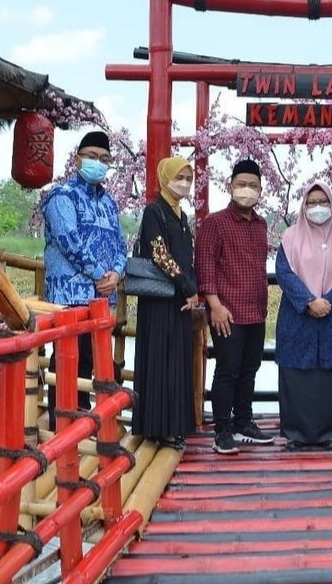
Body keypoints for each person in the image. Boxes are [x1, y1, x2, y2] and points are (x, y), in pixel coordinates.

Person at [41, 130, 127, 430]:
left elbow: (120, 245)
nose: (97, 163)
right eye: (92, 156)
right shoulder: (61, 196)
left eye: (104, 159)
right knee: (66, 358)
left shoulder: (110, 204)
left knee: (91, 359)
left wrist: (116, 273)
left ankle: (85, 422)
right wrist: (99, 274)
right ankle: (61, 422)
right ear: (78, 159)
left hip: (102, 298)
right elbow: (68, 241)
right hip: (70, 295)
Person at [274, 183, 332, 451]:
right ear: (304, 206)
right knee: (295, 377)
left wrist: (330, 301)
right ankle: (295, 434)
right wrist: (309, 301)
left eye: (323, 201)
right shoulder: (289, 238)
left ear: (331, 203)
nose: (317, 207)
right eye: (311, 202)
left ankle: (327, 434)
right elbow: (283, 273)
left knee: (329, 377)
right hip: (297, 316)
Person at [195, 159, 275, 455]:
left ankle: (244, 423)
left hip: (256, 310)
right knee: (227, 371)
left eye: (253, 186)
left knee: (249, 370)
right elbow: (204, 268)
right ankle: (222, 431)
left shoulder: (261, 224)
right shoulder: (214, 223)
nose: (247, 190)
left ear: (261, 190)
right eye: (241, 184)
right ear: (230, 186)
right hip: (226, 312)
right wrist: (214, 305)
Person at [131, 157, 201, 450]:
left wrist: (191, 289)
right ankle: (158, 428)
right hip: (160, 301)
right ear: (166, 177)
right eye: (179, 177)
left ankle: (173, 424)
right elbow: (160, 256)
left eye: (188, 178)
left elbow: (186, 257)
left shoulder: (181, 216)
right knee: (160, 360)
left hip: (178, 300)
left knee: (176, 361)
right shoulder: (154, 212)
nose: (184, 183)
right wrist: (186, 286)